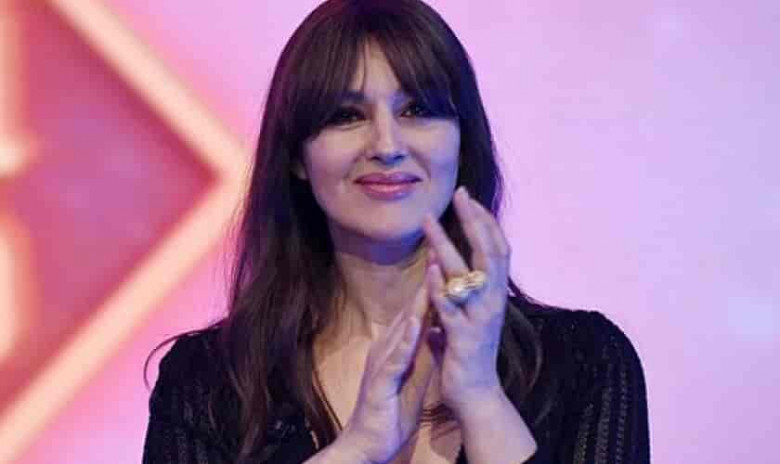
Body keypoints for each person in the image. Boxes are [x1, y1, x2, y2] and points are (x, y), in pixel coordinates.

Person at [142, 0, 650, 463]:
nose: (386, 145)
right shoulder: (209, 381)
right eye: (346, 116)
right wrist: (357, 449)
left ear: (462, 143)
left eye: (417, 110)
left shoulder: (585, 361)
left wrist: (481, 398)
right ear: (296, 156)